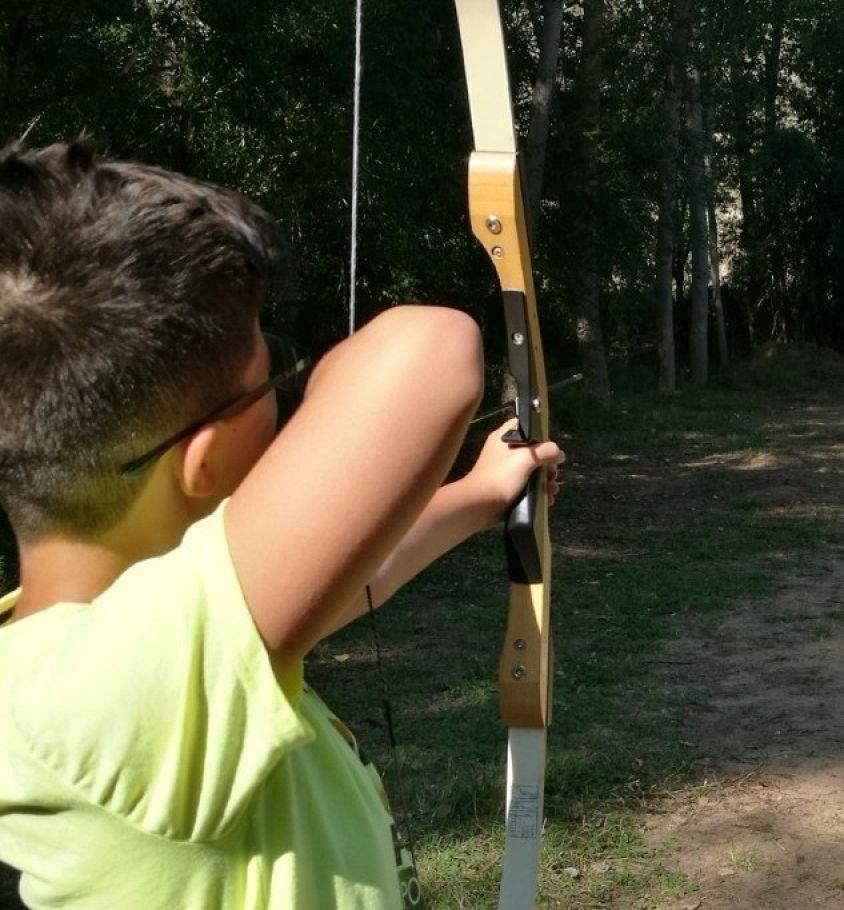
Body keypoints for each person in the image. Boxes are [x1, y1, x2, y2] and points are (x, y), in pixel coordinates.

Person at [0, 140, 562, 908]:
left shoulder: (76, 655)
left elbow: (341, 580)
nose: (290, 396)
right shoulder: (106, 692)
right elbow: (432, 346)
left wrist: (478, 494)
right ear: (201, 462)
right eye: (277, 376)